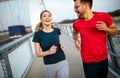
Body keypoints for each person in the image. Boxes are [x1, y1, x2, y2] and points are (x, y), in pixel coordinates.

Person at [72, 0, 118, 78]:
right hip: (88, 61)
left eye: (76, 7)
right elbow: (74, 32)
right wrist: (76, 40)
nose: (74, 10)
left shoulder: (104, 16)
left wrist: (106, 28)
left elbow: (115, 31)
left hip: (104, 59)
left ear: (85, 5)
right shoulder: (76, 23)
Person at [32, 10, 69, 78]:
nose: (47, 17)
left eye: (49, 16)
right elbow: (38, 54)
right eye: (44, 16)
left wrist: (62, 47)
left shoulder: (57, 30)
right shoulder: (37, 34)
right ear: (41, 20)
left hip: (62, 61)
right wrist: (49, 52)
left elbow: (57, 43)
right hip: (49, 65)